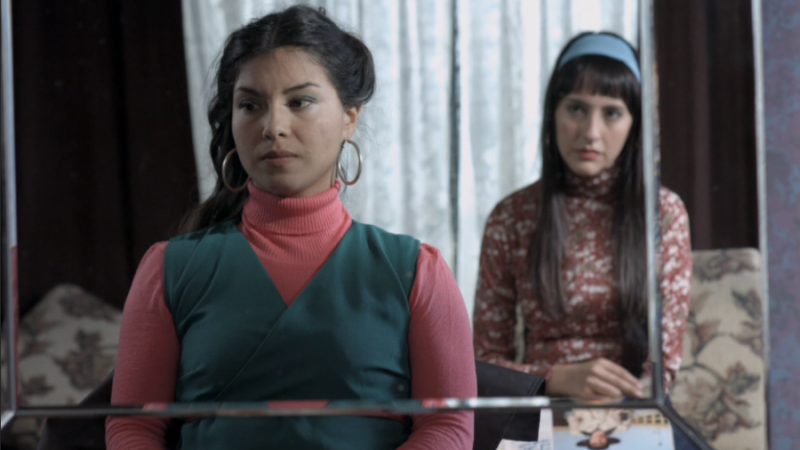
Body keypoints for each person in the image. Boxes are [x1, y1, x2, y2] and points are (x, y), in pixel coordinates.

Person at [106, 6, 476, 450]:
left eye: (299, 102)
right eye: (250, 105)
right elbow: (133, 429)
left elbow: (447, 428)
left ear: (350, 116)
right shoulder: (169, 269)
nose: (273, 127)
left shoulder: (416, 271)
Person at [472, 32, 692, 402]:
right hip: (538, 410)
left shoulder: (663, 213)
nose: (591, 132)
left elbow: (661, 369)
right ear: (553, 114)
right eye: (576, 109)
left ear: (635, 123)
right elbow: (484, 364)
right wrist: (553, 379)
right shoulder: (511, 217)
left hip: (632, 408)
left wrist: (624, 406)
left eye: (612, 113)